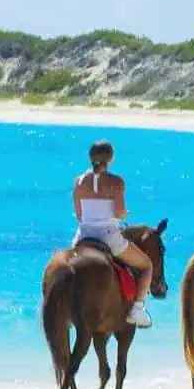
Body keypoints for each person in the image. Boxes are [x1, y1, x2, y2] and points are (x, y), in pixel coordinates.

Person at [72, 140, 152, 327]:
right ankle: (137, 309)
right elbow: (119, 212)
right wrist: (124, 214)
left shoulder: (78, 182)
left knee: (66, 265)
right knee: (146, 266)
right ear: (111, 159)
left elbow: (79, 214)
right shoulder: (116, 182)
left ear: (90, 158)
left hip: (83, 235)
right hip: (108, 236)